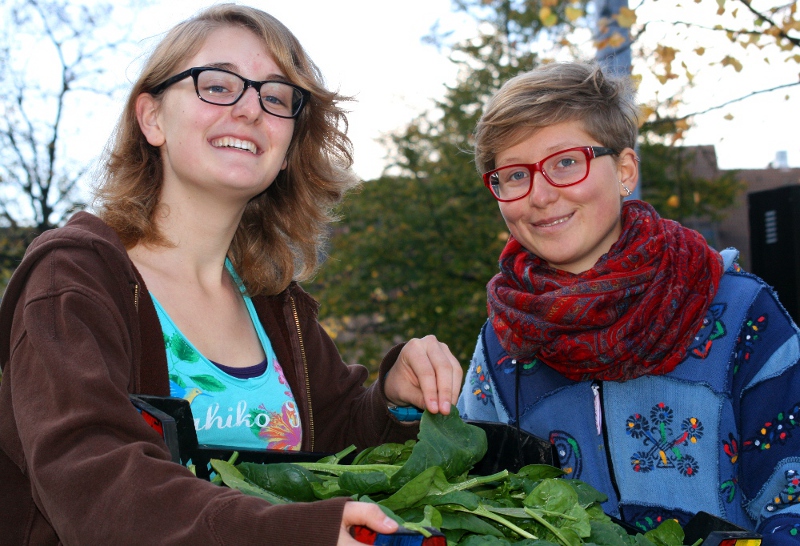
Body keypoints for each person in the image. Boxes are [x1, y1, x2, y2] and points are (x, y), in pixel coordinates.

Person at [0, 5, 462, 545]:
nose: (249, 110)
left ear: (289, 146)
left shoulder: (272, 301)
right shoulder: (74, 278)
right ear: (151, 118)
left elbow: (337, 440)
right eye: (217, 85)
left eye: (275, 97)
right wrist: (289, 533)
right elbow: (92, 479)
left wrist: (393, 396)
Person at [457, 61, 800, 544]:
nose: (540, 195)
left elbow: (793, 500)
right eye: (514, 175)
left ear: (624, 170)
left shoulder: (741, 313)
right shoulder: (503, 340)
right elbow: (478, 507)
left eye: (565, 162)